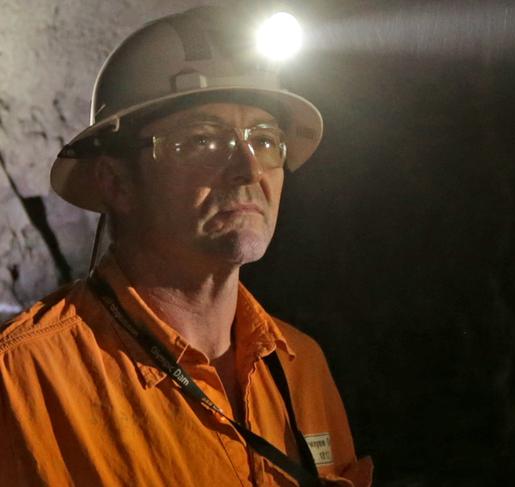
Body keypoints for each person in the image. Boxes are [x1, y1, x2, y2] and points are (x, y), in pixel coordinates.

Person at [0, 5, 372, 486]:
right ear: (116, 182)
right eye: (202, 140)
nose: (248, 169)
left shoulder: (300, 364)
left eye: (264, 140)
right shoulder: (25, 381)